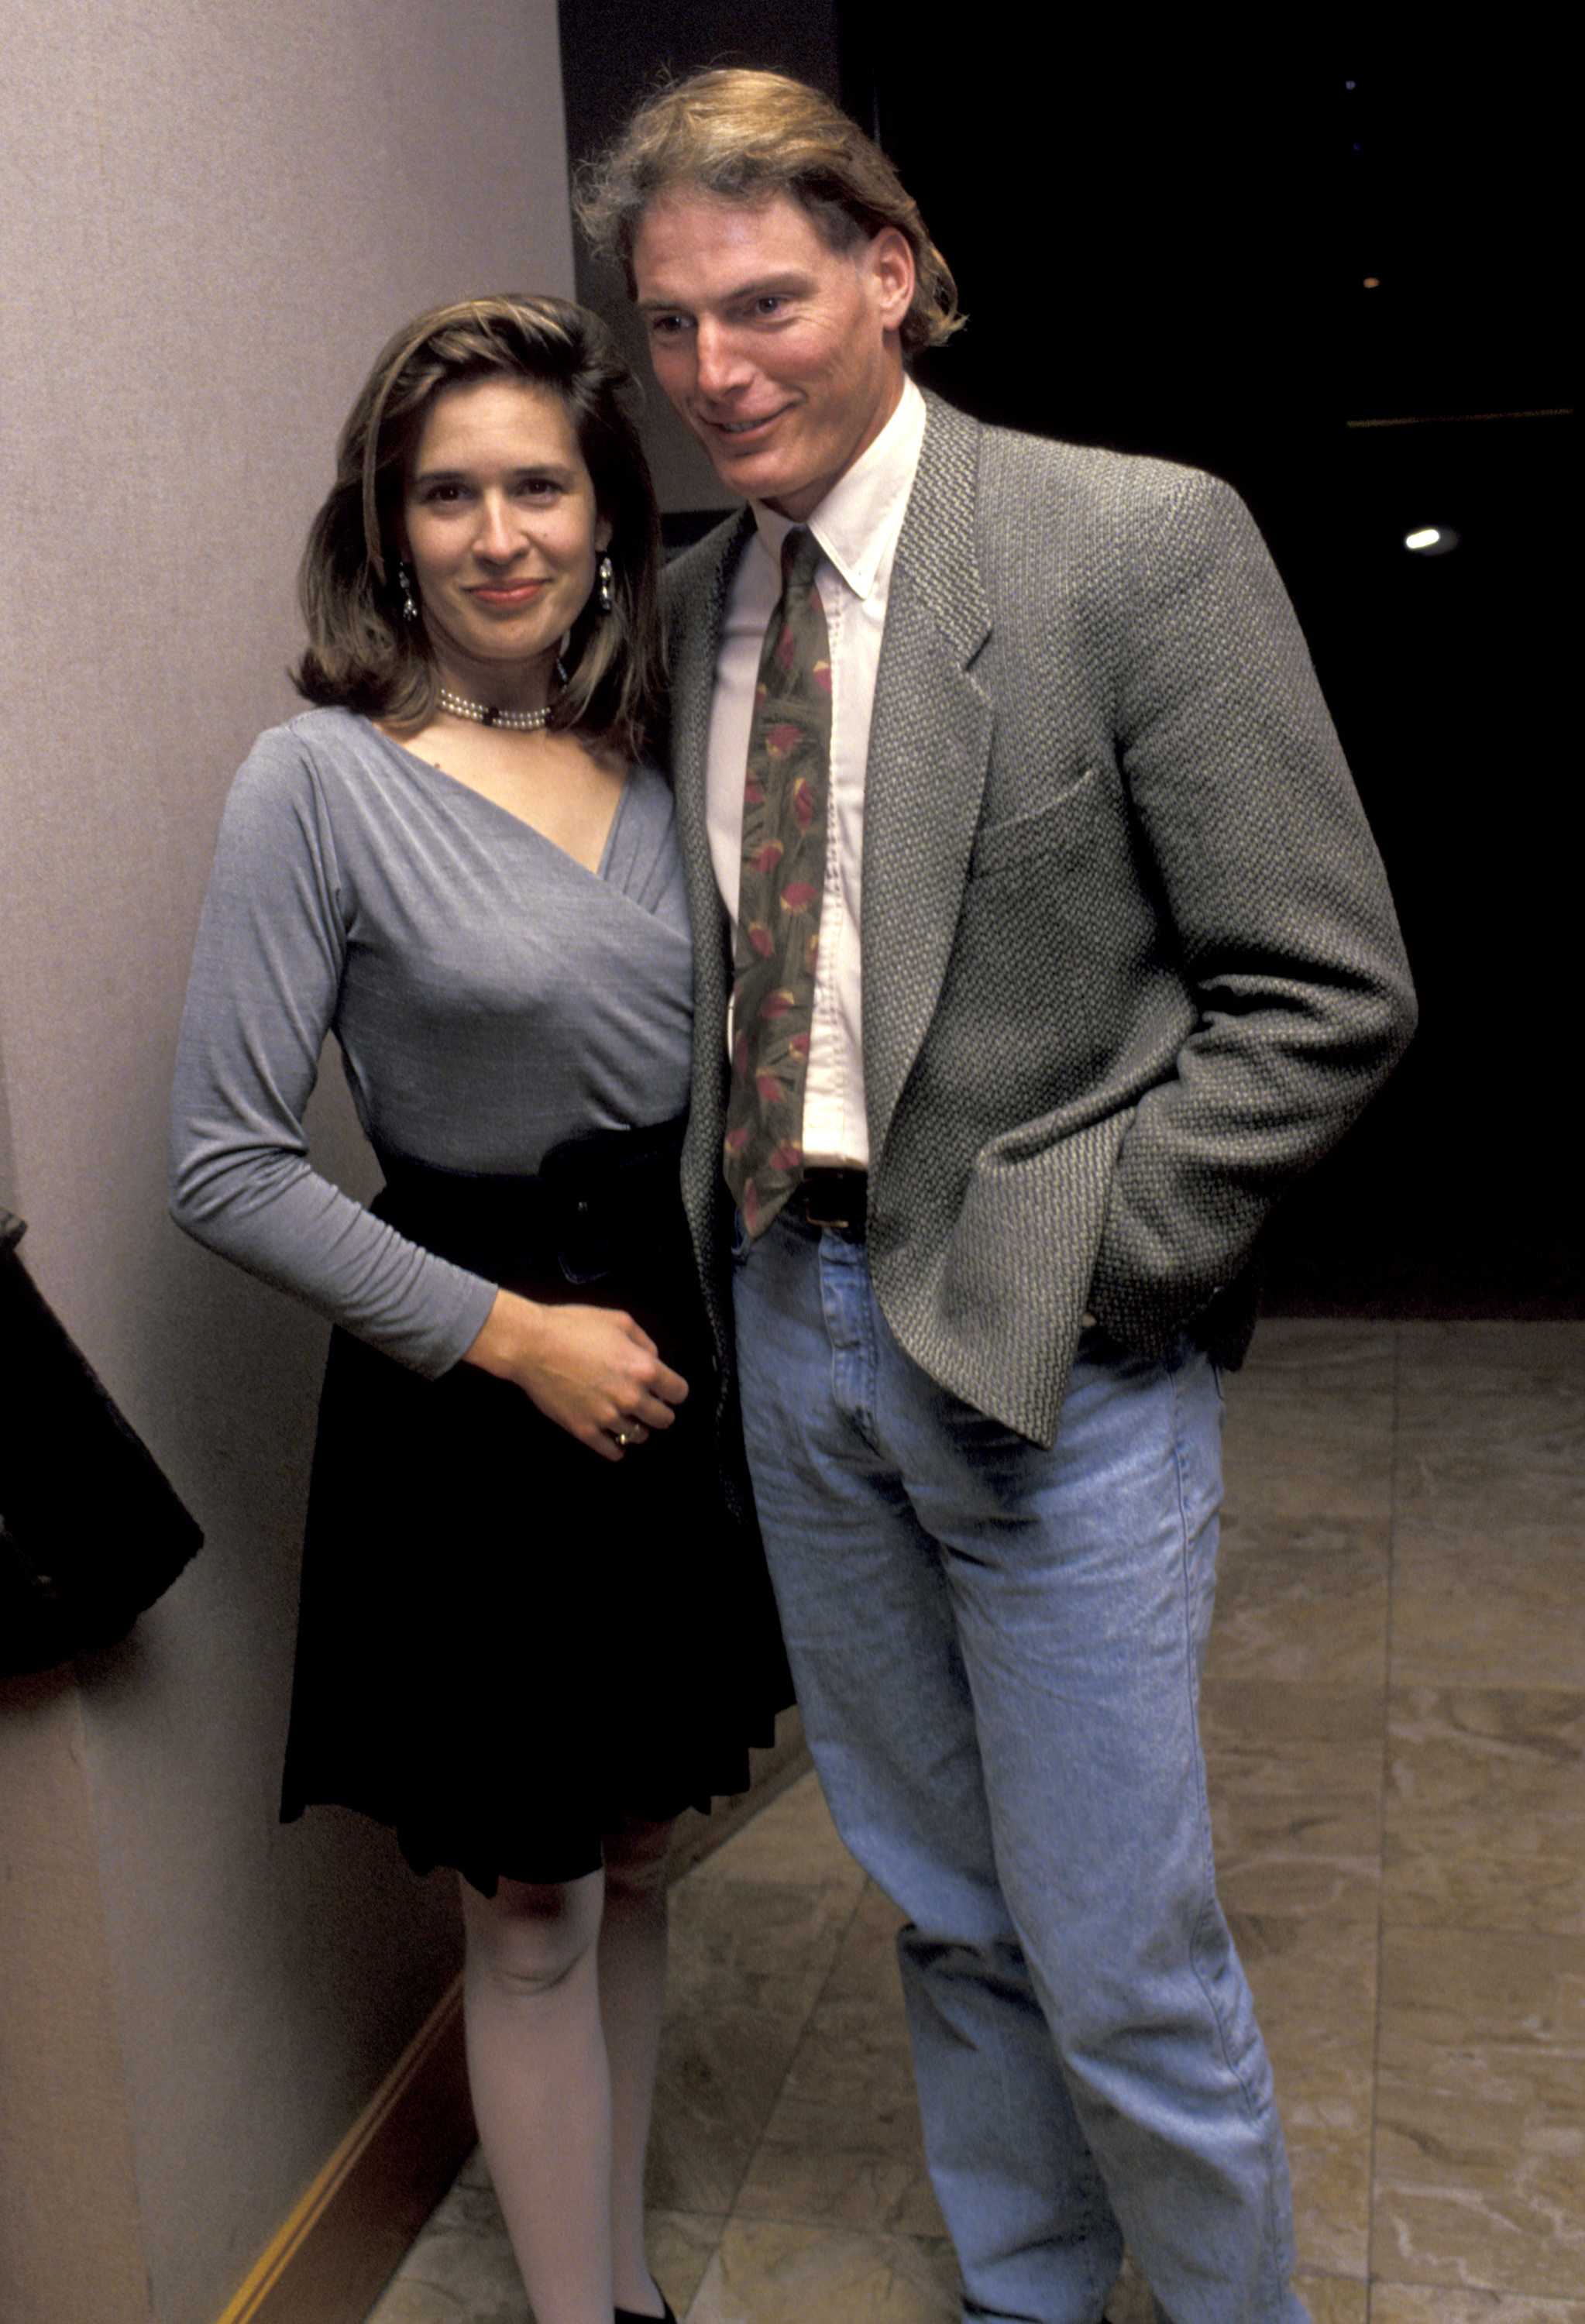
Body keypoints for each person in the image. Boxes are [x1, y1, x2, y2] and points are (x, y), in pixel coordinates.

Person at [576, 70, 1418, 2324]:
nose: (714, 369)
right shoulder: (684, 607)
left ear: (893, 272)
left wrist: (1099, 1256)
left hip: (1054, 1355)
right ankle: (1030, 2293)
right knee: (944, 1902)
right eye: (668, 326)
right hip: (792, 1335)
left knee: (1122, 1951)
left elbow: (1324, 990)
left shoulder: (1131, 544)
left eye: (762, 304)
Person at [170, 293, 789, 2324]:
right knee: (524, 1898)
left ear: (611, 521)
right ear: (389, 529)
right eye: (450, 493)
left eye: (540, 484)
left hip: (676, 1357)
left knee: (628, 1855)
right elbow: (228, 1163)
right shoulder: (319, 782)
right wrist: (510, 1336)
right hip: (477, 1381)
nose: (498, 531)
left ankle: (613, 2275)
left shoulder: (661, 745)